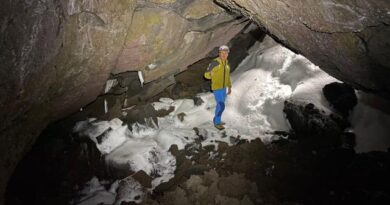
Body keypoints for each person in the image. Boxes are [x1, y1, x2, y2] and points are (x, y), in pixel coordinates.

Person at [204, 45, 232, 130]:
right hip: (217, 88)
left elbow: (227, 77)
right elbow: (206, 74)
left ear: (227, 54)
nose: (223, 55)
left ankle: (217, 119)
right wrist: (210, 74)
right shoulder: (215, 63)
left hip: (223, 88)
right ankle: (217, 122)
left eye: (225, 53)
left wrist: (229, 87)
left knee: (220, 106)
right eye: (221, 53)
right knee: (221, 105)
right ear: (219, 54)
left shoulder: (227, 64)